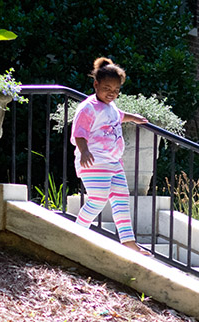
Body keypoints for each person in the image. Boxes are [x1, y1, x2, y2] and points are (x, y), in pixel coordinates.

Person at [71, 57, 151, 256]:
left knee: (121, 198)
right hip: (94, 159)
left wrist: (135, 118)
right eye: (107, 88)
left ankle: (128, 241)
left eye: (116, 90)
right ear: (96, 84)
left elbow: (119, 115)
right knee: (98, 199)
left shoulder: (110, 106)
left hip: (113, 161)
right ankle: (75, 233)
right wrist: (84, 151)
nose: (112, 94)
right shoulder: (88, 107)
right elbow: (79, 132)